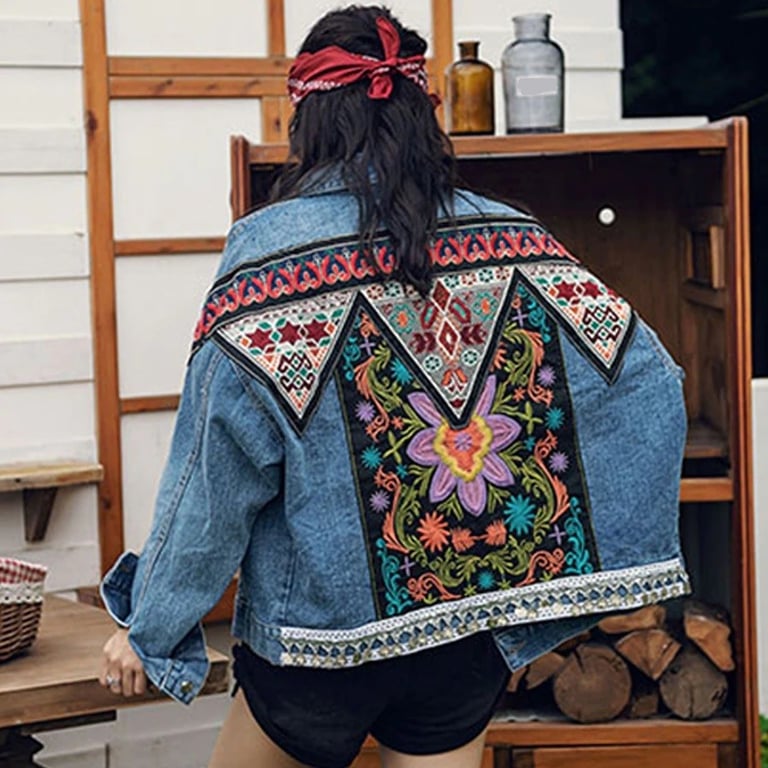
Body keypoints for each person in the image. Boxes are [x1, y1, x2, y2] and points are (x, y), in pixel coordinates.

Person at [99, 6, 691, 767]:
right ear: (421, 113)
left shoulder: (267, 261)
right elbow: (647, 382)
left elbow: (214, 477)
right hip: (465, 636)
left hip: (318, 645)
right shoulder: (514, 239)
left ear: (308, 121)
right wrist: (558, 556)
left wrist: (152, 628)